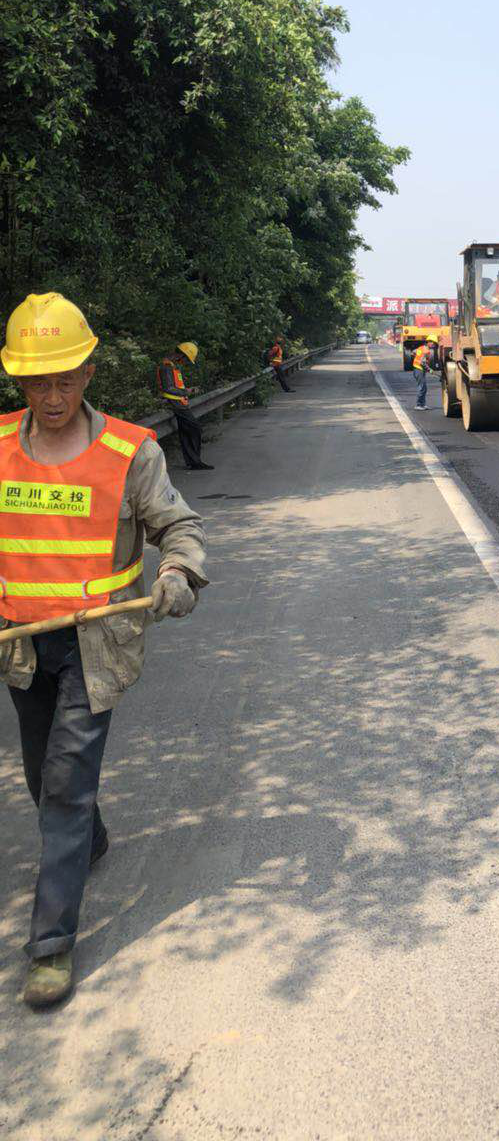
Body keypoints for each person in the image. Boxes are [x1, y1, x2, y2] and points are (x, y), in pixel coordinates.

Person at [0, 292, 207, 1009]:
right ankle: (85, 837)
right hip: (23, 649)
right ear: (17, 380)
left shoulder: (129, 451)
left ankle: (50, 946)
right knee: (41, 777)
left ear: (88, 372)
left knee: (62, 782)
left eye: (64, 378)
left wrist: (178, 573)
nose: (51, 396)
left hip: (98, 647)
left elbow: (177, 530)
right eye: (36, 381)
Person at [156, 342, 212, 471]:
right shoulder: (167, 367)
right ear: (181, 355)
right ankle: (195, 462)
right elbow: (168, 388)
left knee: (186, 432)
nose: (185, 362)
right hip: (175, 404)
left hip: (179, 403)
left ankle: (193, 462)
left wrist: (186, 391)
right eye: (186, 359)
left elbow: (174, 386)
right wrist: (188, 392)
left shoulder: (173, 366)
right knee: (194, 429)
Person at [412, 339, 432, 409]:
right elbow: (422, 362)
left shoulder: (421, 348)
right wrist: (429, 369)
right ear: (428, 343)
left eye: (434, 343)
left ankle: (422, 404)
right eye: (431, 342)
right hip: (419, 370)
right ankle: (418, 405)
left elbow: (413, 352)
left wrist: (416, 358)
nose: (433, 344)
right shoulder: (426, 351)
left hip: (417, 369)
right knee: (422, 387)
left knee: (424, 388)